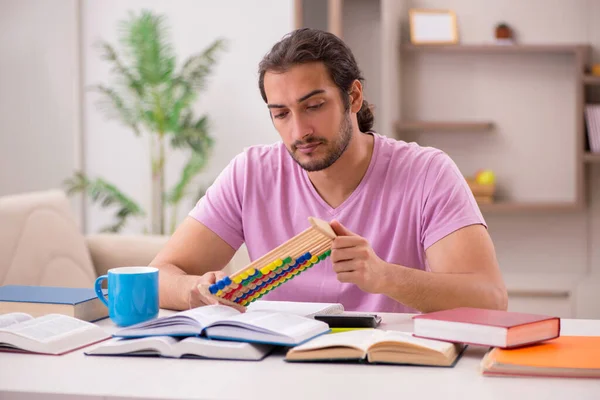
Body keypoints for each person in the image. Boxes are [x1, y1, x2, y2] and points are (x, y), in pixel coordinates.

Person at [150, 28, 507, 314]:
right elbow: (161, 276)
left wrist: (384, 277)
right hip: (277, 369)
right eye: (281, 114)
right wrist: (194, 291)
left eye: (314, 106)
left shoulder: (428, 173)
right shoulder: (250, 174)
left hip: (388, 370)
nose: (299, 131)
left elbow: (490, 298)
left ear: (353, 97)